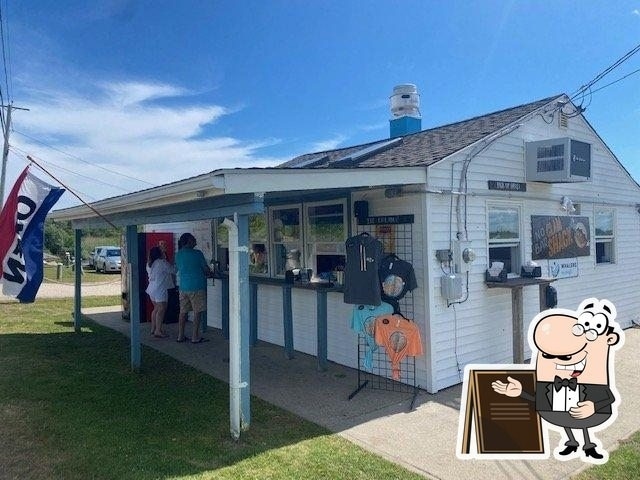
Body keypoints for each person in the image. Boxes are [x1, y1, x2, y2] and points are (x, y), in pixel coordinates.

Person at [175, 232, 212, 343]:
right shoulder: (197, 254)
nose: (195, 240)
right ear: (188, 241)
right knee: (197, 311)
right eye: (193, 239)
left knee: (183, 312)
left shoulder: (178, 254)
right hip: (197, 286)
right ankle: (195, 336)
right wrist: (209, 272)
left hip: (183, 287)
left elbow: (177, 269)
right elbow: (205, 269)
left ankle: (180, 335)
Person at [145, 246, 175, 338]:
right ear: (159, 254)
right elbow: (173, 270)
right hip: (160, 288)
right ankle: (158, 330)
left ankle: (153, 328)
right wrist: (172, 261)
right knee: (161, 309)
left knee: (156, 309)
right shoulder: (162, 262)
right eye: (162, 251)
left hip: (151, 288)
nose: (163, 252)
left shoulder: (149, 263)